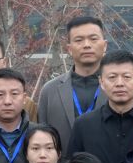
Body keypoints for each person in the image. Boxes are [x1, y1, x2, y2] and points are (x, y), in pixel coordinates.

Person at [34, 14, 109, 145]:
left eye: (93, 39)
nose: (87, 45)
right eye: (79, 40)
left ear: (105, 45)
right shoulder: (50, 91)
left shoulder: (118, 88)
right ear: (69, 49)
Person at [68, 50, 133, 163]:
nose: (119, 83)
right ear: (101, 82)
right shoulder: (84, 125)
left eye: (127, 77)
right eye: (112, 77)